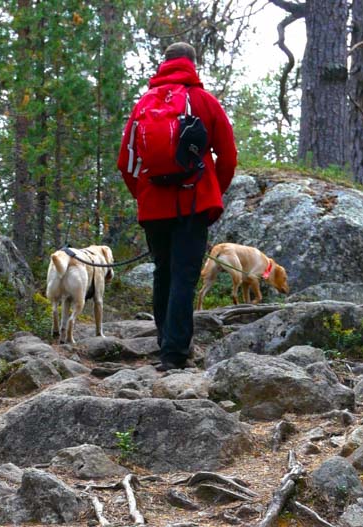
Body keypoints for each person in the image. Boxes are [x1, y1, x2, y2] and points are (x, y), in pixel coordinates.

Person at [117, 42, 237, 371]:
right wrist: (214, 192)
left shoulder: (144, 104)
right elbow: (227, 156)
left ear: (164, 64)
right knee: (185, 277)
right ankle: (174, 353)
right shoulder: (205, 101)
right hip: (194, 202)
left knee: (163, 273)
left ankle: (164, 341)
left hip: (153, 205)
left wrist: (143, 196)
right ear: (193, 64)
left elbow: (126, 163)